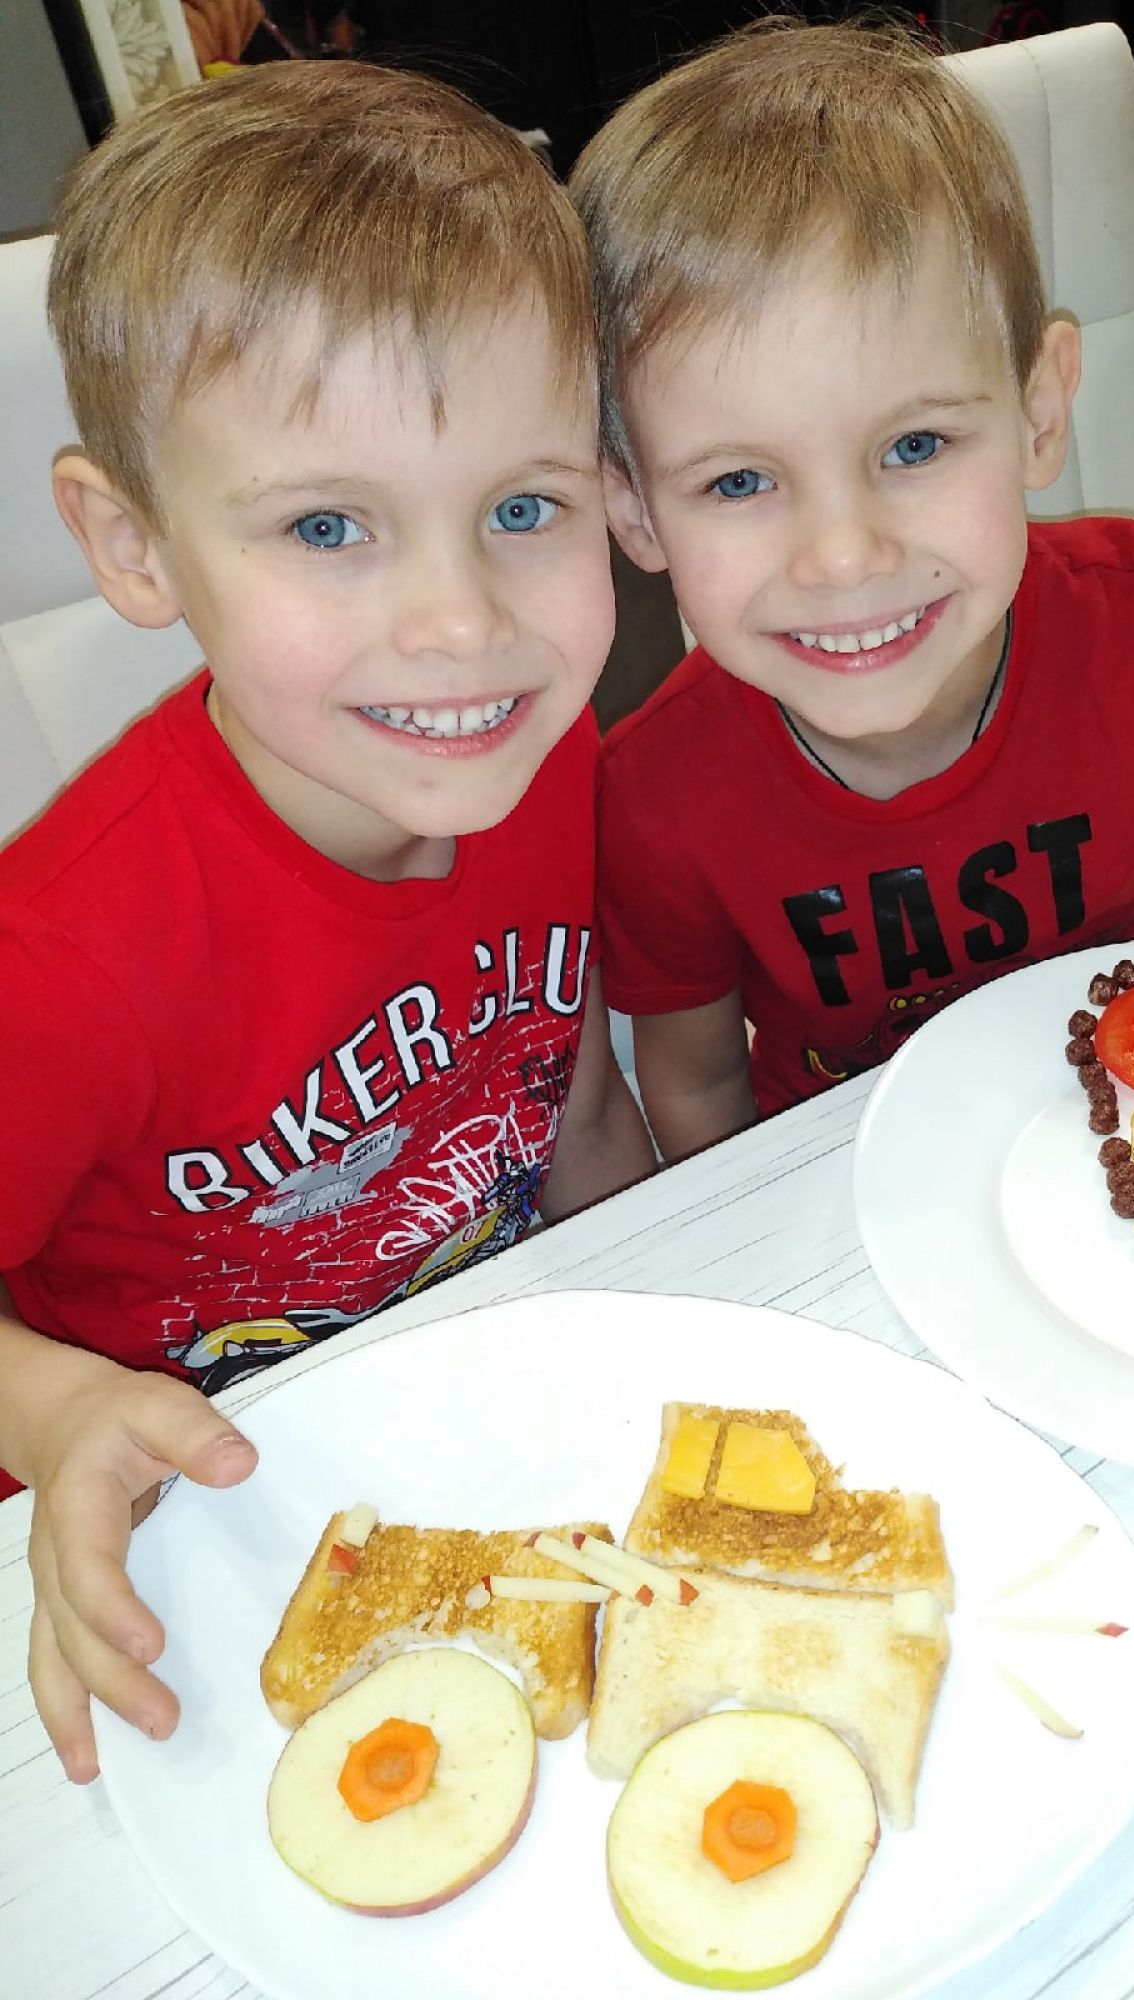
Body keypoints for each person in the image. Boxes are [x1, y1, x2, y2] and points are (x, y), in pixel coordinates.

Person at [0, 60, 655, 1781]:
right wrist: (53, 1407)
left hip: (496, 1435)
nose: (462, 625)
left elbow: (572, 1098)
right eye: (327, 526)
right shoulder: (62, 960)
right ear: (134, 545)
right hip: (187, 1558)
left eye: (523, 509)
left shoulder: (543, 756)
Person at [570, 18, 1134, 1163]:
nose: (845, 557)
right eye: (739, 480)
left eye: (914, 445)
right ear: (633, 509)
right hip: (853, 1176)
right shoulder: (653, 797)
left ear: (1041, 412)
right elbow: (698, 1088)